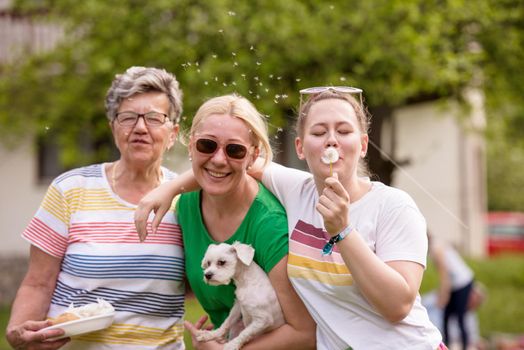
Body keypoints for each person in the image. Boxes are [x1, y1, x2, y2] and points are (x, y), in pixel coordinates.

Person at [136, 86, 446, 349]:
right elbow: (225, 163)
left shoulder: (393, 206)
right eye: (319, 132)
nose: (332, 140)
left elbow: (398, 306)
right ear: (300, 146)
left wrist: (343, 231)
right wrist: (169, 189)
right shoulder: (295, 190)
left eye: (344, 131)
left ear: (362, 144)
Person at [6, 66, 186, 349]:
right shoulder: (71, 189)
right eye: (128, 117)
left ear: (173, 133)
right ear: (113, 128)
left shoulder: (186, 200)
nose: (140, 128)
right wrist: (19, 332)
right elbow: (38, 282)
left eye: (153, 118)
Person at [137, 93, 316, 350]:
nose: (219, 159)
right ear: (191, 146)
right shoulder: (186, 205)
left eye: (235, 150)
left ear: (253, 156)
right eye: (207, 145)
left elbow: (304, 333)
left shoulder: (269, 224)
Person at [428, 232, 476, 350]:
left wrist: (443, 297)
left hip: (463, 283)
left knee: (460, 317)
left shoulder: (436, 249)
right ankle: (446, 345)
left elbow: (445, 276)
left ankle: (465, 346)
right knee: (446, 317)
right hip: (456, 285)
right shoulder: (437, 245)